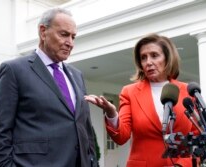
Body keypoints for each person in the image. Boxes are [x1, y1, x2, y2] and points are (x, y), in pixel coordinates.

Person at [0, 8, 97, 167]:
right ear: (43, 32)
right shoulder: (14, 70)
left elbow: (85, 128)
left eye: (73, 37)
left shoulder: (77, 75)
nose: (70, 43)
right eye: (64, 34)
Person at [85, 33, 198, 167]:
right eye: (143, 58)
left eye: (154, 55)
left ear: (168, 58)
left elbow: (197, 139)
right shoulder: (129, 92)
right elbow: (121, 137)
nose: (148, 62)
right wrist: (112, 114)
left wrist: (181, 165)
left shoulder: (188, 91)